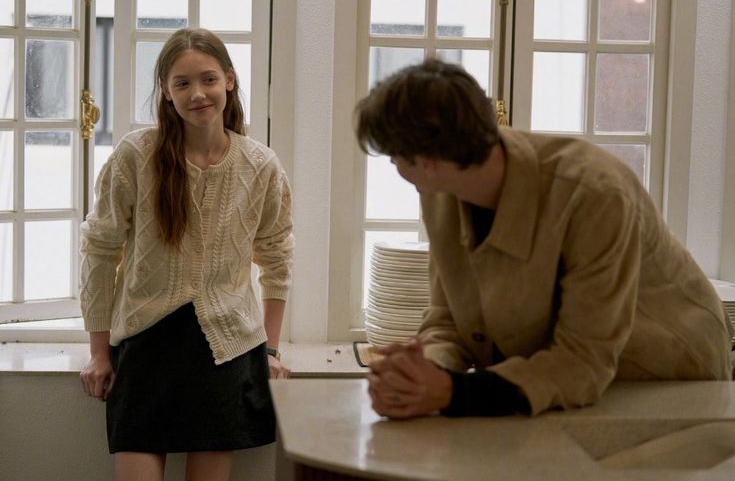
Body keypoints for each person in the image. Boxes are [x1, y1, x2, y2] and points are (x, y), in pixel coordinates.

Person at [354, 58, 733, 420]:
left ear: (429, 157)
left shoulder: (594, 194)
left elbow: (582, 363)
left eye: (395, 157)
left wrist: (452, 391)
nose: (395, 168)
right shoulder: (441, 188)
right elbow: (449, 318)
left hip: (670, 378)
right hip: (574, 381)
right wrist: (421, 371)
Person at [79, 28, 294, 481]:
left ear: (230, 81)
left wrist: (271, 348)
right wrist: (99, 353)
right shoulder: (135, 157)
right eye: (182, 83)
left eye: (209, 79)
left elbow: (277, 259)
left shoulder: (261, 166)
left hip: (227, 349)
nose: (198, 93)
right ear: (165, 92)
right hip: (145, 344)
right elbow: (99, 251)